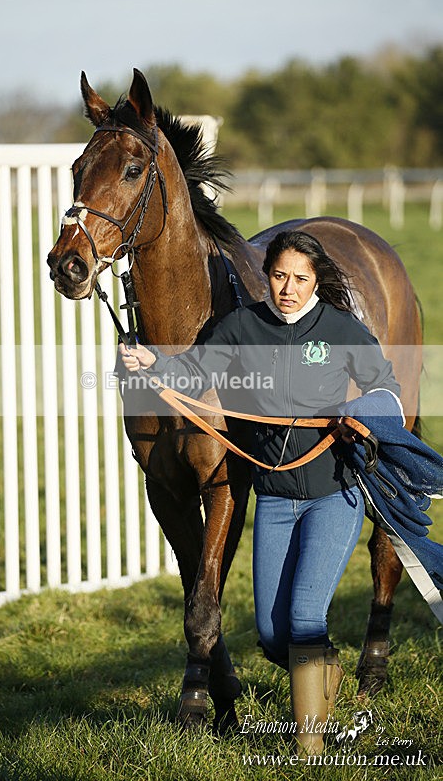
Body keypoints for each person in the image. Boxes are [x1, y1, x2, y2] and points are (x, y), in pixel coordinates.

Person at [119, 230, 402, 756]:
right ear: (266, 276)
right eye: (278, 277)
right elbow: (194, 370)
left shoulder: (341, 328)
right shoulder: (243, 325)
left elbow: (385, 385)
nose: (288, 289)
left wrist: (363, 417)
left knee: (303, 620)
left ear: (316, 280)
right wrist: (150, 366)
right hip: (273, 498)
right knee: (273, 636)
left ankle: (310, 747)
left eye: (299, 279)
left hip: (331, 492)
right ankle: (322, 671)